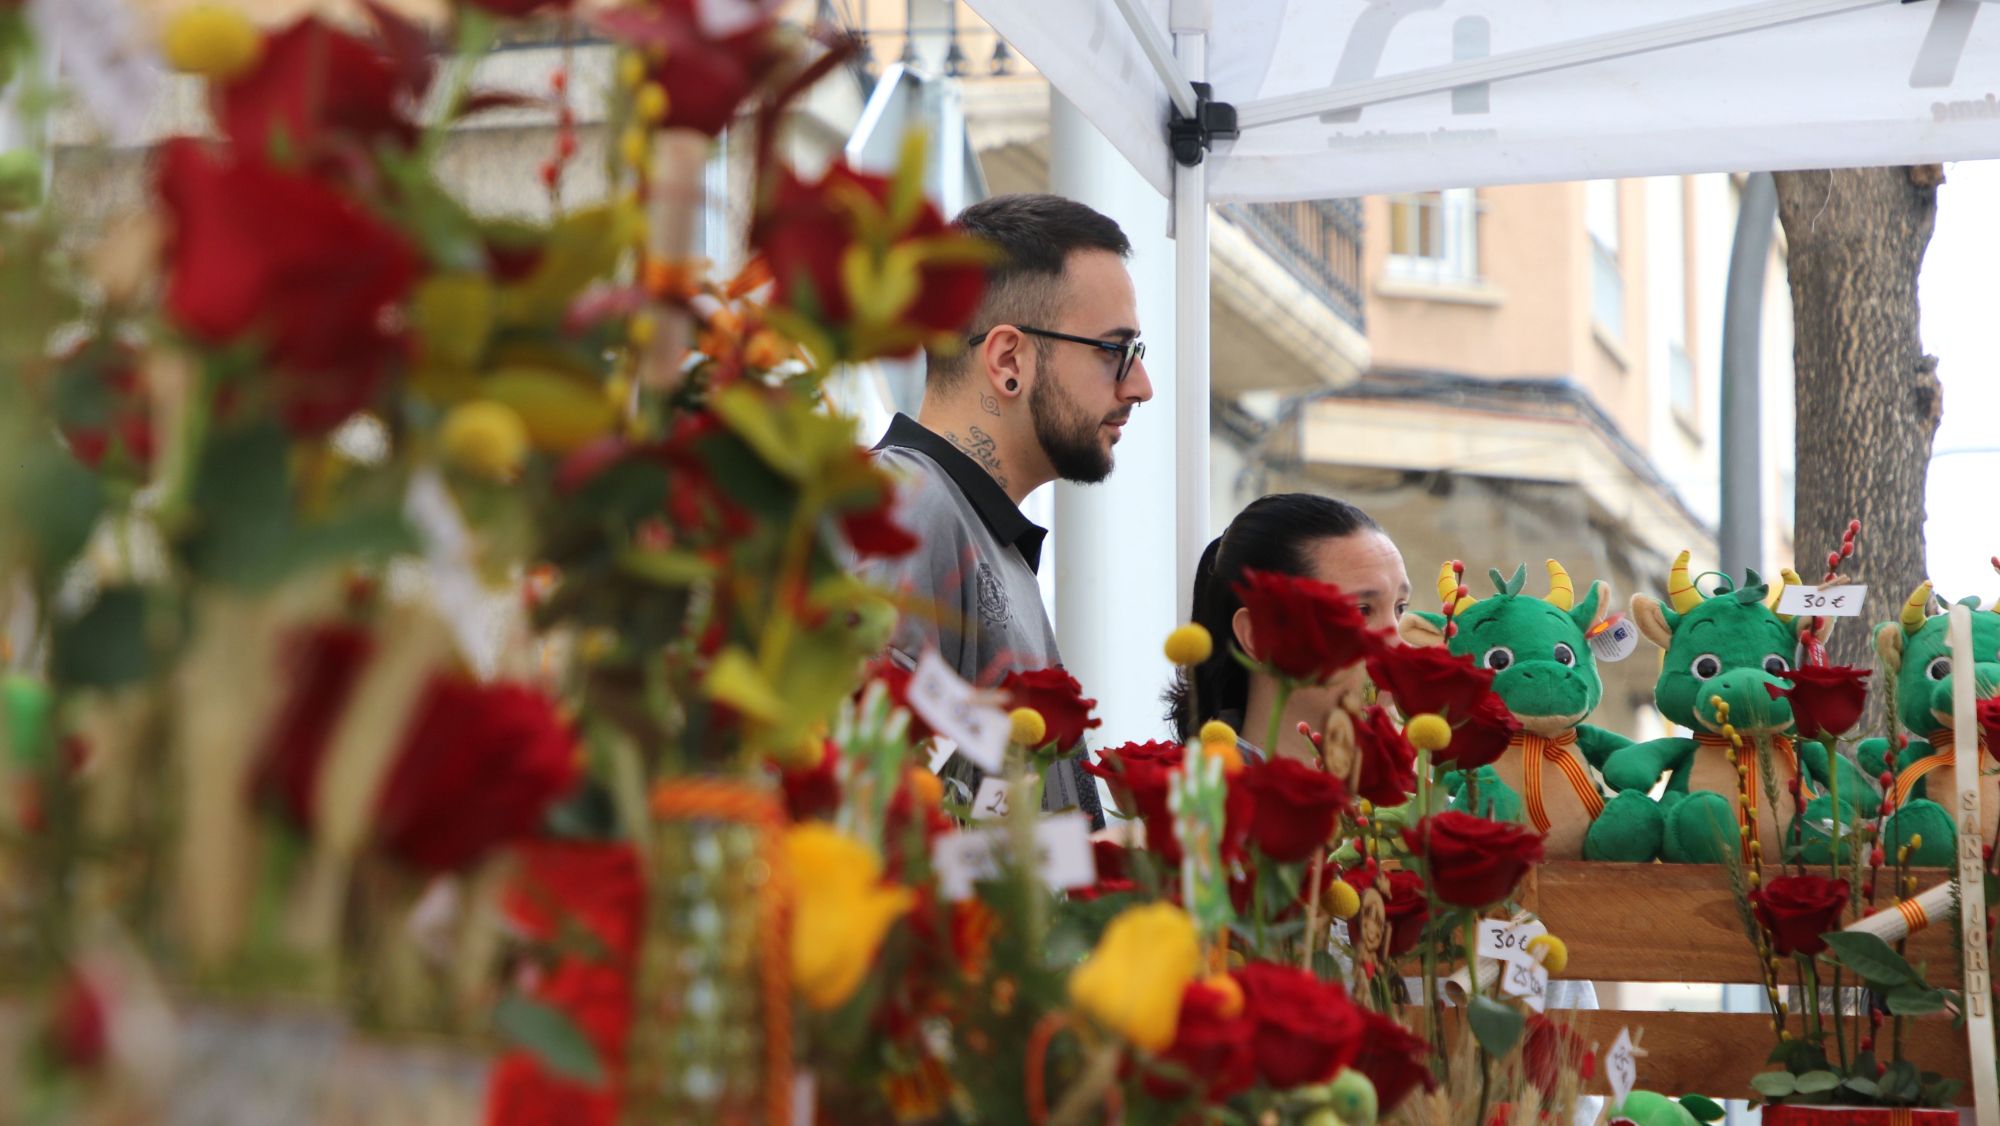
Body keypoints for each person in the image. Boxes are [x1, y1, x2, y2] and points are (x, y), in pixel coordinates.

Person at [858, 193, 1154, 827]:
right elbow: (879, 800)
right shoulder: (908, 509)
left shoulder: (964, 523)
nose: (1139, 386)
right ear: (1008, 360)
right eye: (1114, 350)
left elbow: (966, 796)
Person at [1166, 492, 1410, 763]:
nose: (1398, 646)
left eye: (1400, 608)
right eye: (1360, 611)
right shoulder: (1196, 800)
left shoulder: (1434, 796)